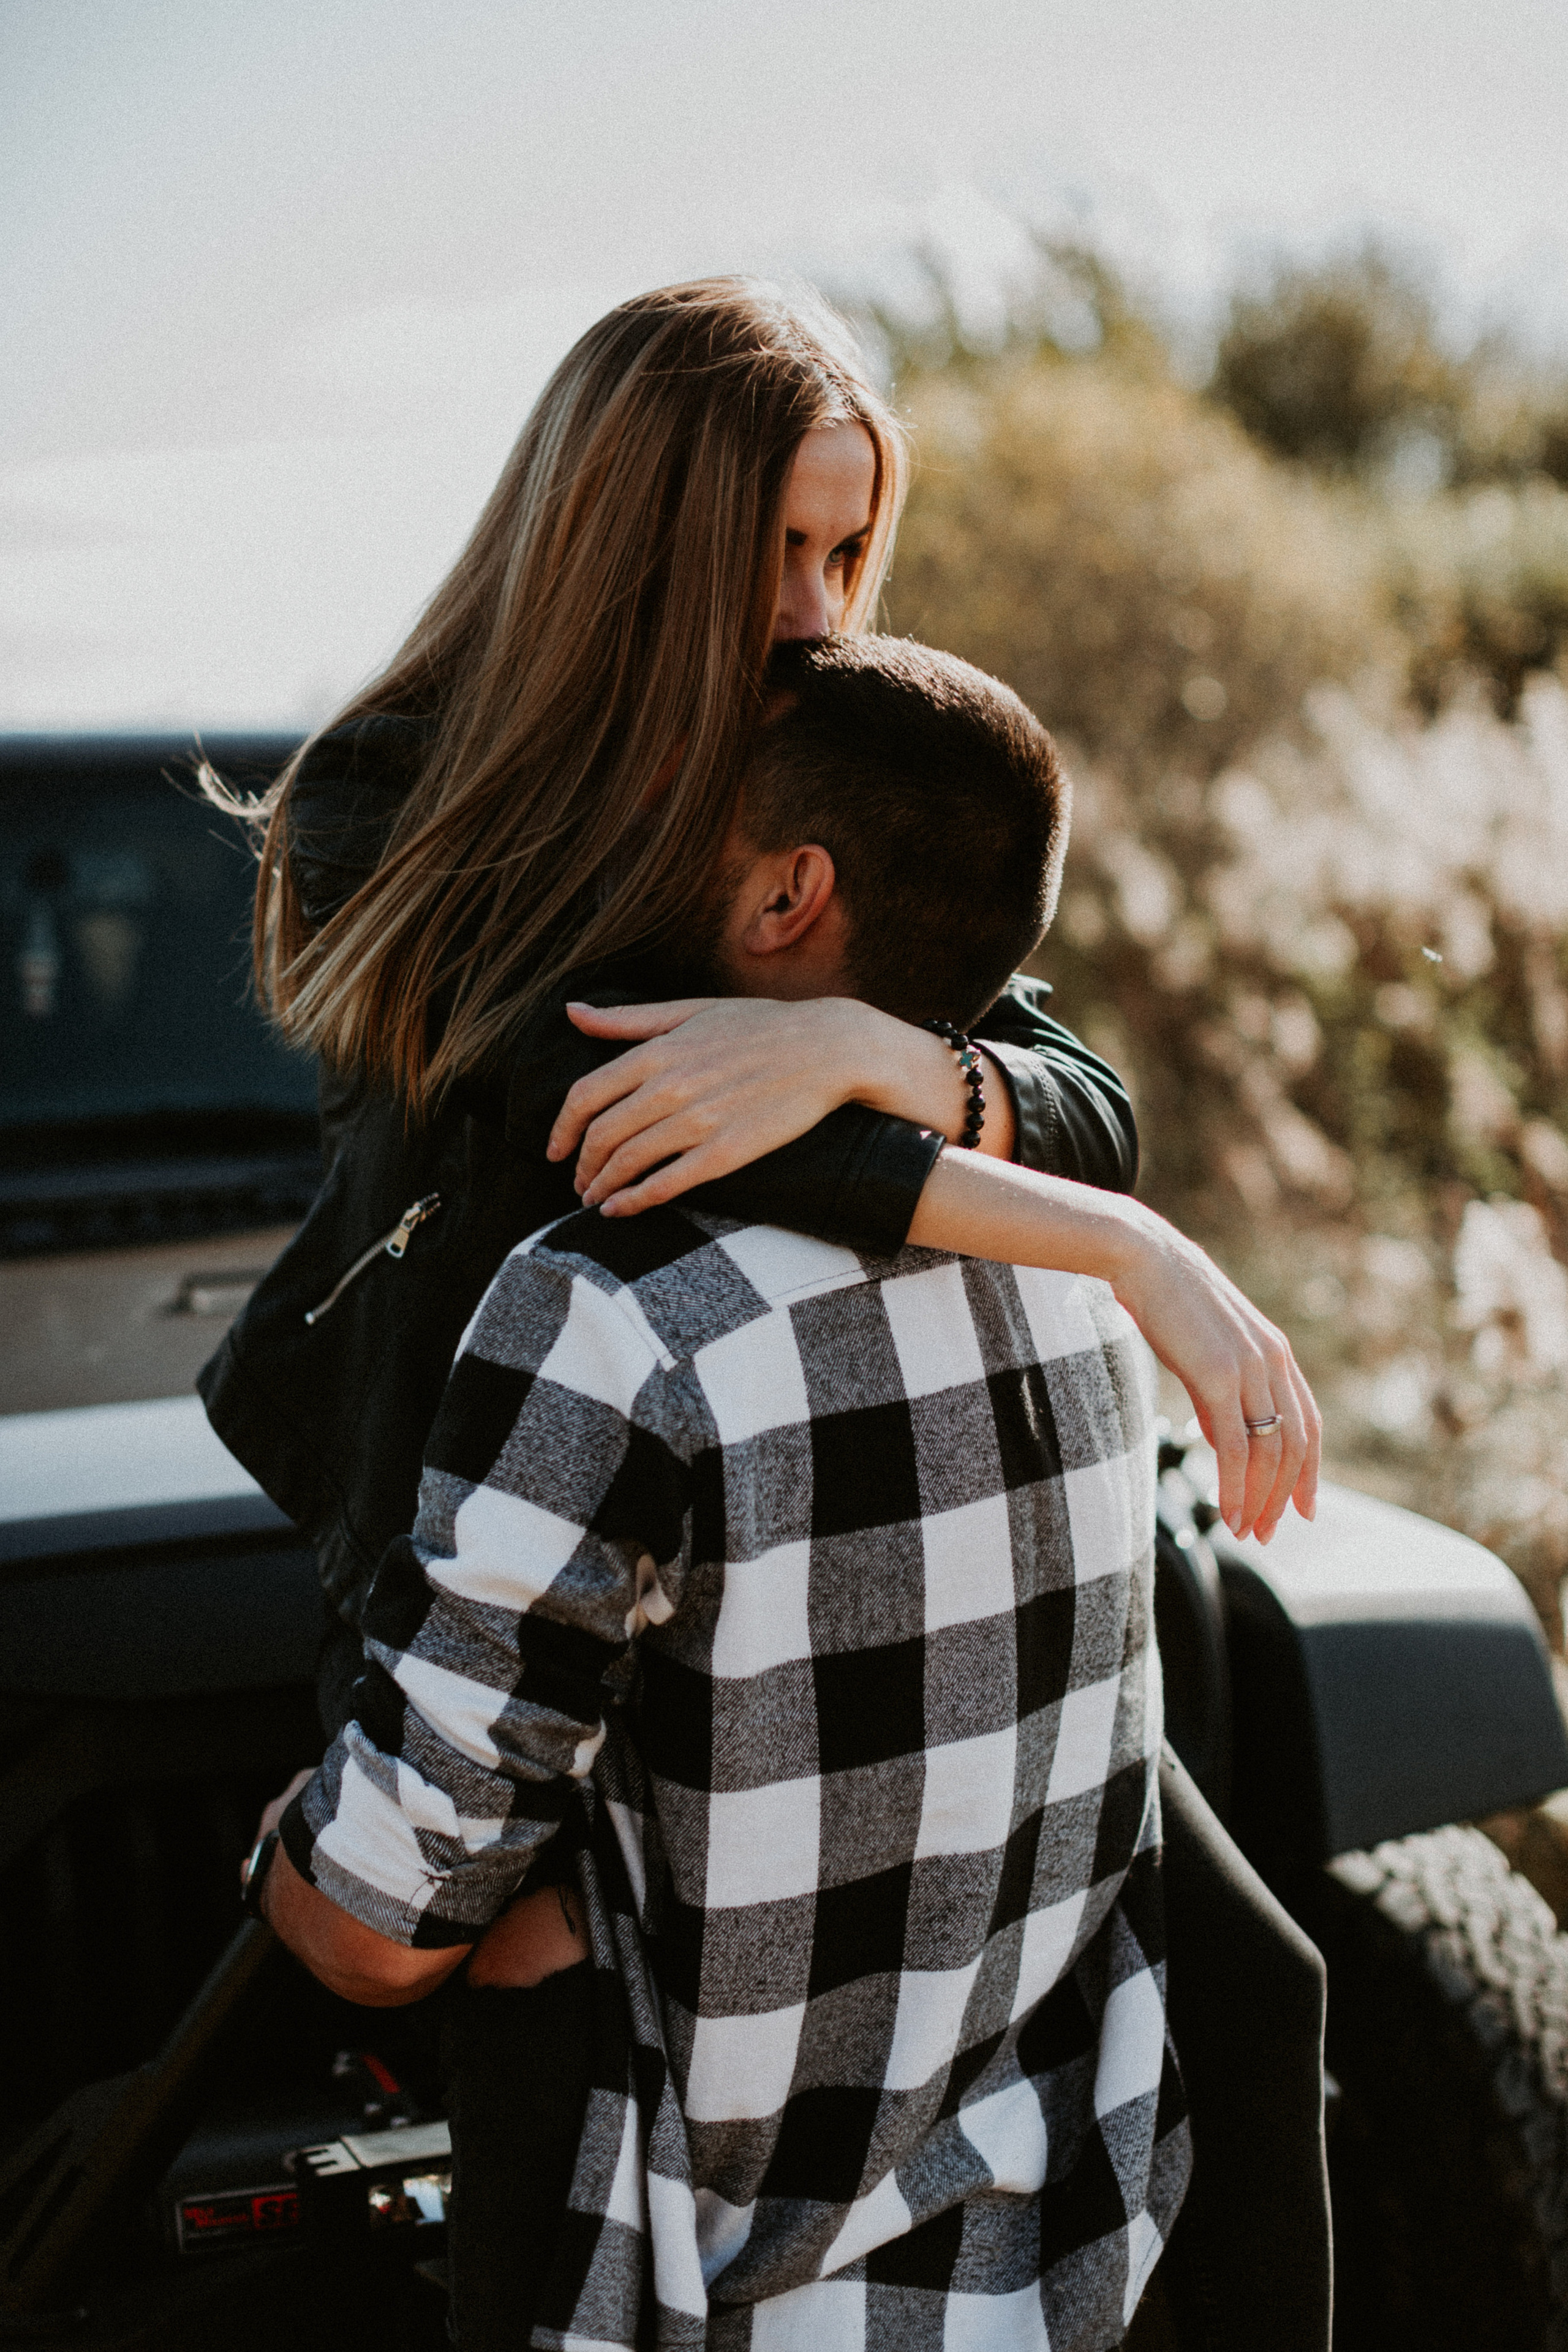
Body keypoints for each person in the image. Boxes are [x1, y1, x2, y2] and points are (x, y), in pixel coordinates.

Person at [246, 636, 1322, 2348]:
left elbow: (382, 1919)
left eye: (691, 808)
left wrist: (282, 1865)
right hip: (1050, 2290)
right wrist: (1125, 1237)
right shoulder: (1080, 1307)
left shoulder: (613, 1316)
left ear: (786, 894)